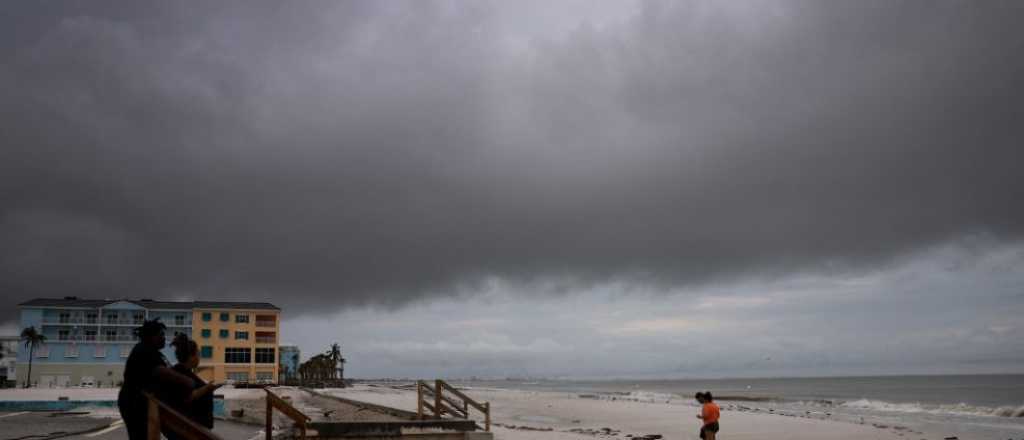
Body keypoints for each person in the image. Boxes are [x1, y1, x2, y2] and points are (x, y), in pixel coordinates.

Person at [117, 319, 194, 440]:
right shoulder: (144, 350)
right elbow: (162, 371)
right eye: (161, 335)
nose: (164, 338)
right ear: (151, 337)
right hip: (134, 403)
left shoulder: (152, 352)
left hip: (141, 402)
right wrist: (187, 381)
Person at [167, 334, 222, 433]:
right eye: (198, 354)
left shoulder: (180, 371)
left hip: (193, 428)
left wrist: (208, 388)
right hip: (190, 430)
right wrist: (207, 388)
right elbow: (186, 397)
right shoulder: (180, 374)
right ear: (191, 357)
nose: (199, 357)